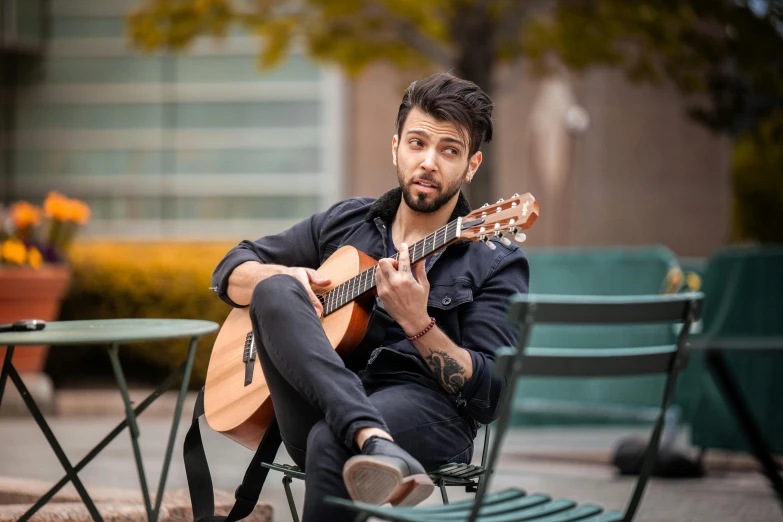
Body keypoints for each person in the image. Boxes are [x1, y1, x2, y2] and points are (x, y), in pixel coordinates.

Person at [210, 72, 530, 521]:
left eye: (449, 150)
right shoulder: (346, 222)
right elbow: (230, 268)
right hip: (316, 397)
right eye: (418, 143)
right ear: (395, 146)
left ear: (471, 166)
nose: (429, 162)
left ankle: (365, 435)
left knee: (331, 439)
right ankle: (370, 435)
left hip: (425, 410)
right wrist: (285, 275)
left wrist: (418, 324)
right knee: (276, 287)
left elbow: (490, 393)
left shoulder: (493, 260)